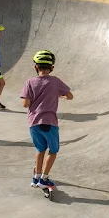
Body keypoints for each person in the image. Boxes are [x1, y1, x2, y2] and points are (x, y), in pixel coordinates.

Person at [20, 49, 73, 190]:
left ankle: (36, 176)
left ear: (35, 67)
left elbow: (25, 104)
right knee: (53, 151)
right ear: (52, 68)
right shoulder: (55, 81)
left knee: (40, 149)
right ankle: (44, 178)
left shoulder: (29, 82)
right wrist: (59, 95)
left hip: (34, 123)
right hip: (50, 122)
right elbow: (70, 96)